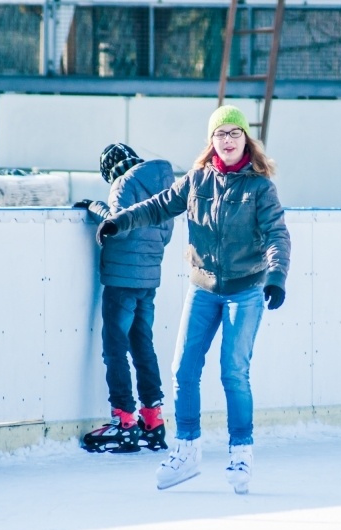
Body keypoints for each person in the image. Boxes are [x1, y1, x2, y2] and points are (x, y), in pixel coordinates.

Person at [96, 105, 291, 494]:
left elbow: (277, 234)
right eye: (221, 134)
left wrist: (276, 277)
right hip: (203, 288)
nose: (228, 140)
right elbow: (158, 206)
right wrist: (120, 221)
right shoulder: (198, 180)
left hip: (245, 290)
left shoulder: (259, 188)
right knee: (183, 370)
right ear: (212, 141)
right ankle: (187, 450)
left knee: (233, 371)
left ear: (245, 140)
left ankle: (241, 452)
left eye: (235, 134)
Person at [74, 143, 175, 453]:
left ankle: (125, 421)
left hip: (121, 280)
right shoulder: (164, 182)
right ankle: (153, 419)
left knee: (115, 348)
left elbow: (120, 226)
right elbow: (166, 233)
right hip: (148, 279)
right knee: (143, 345)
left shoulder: (123, 183)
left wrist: (95, 207)